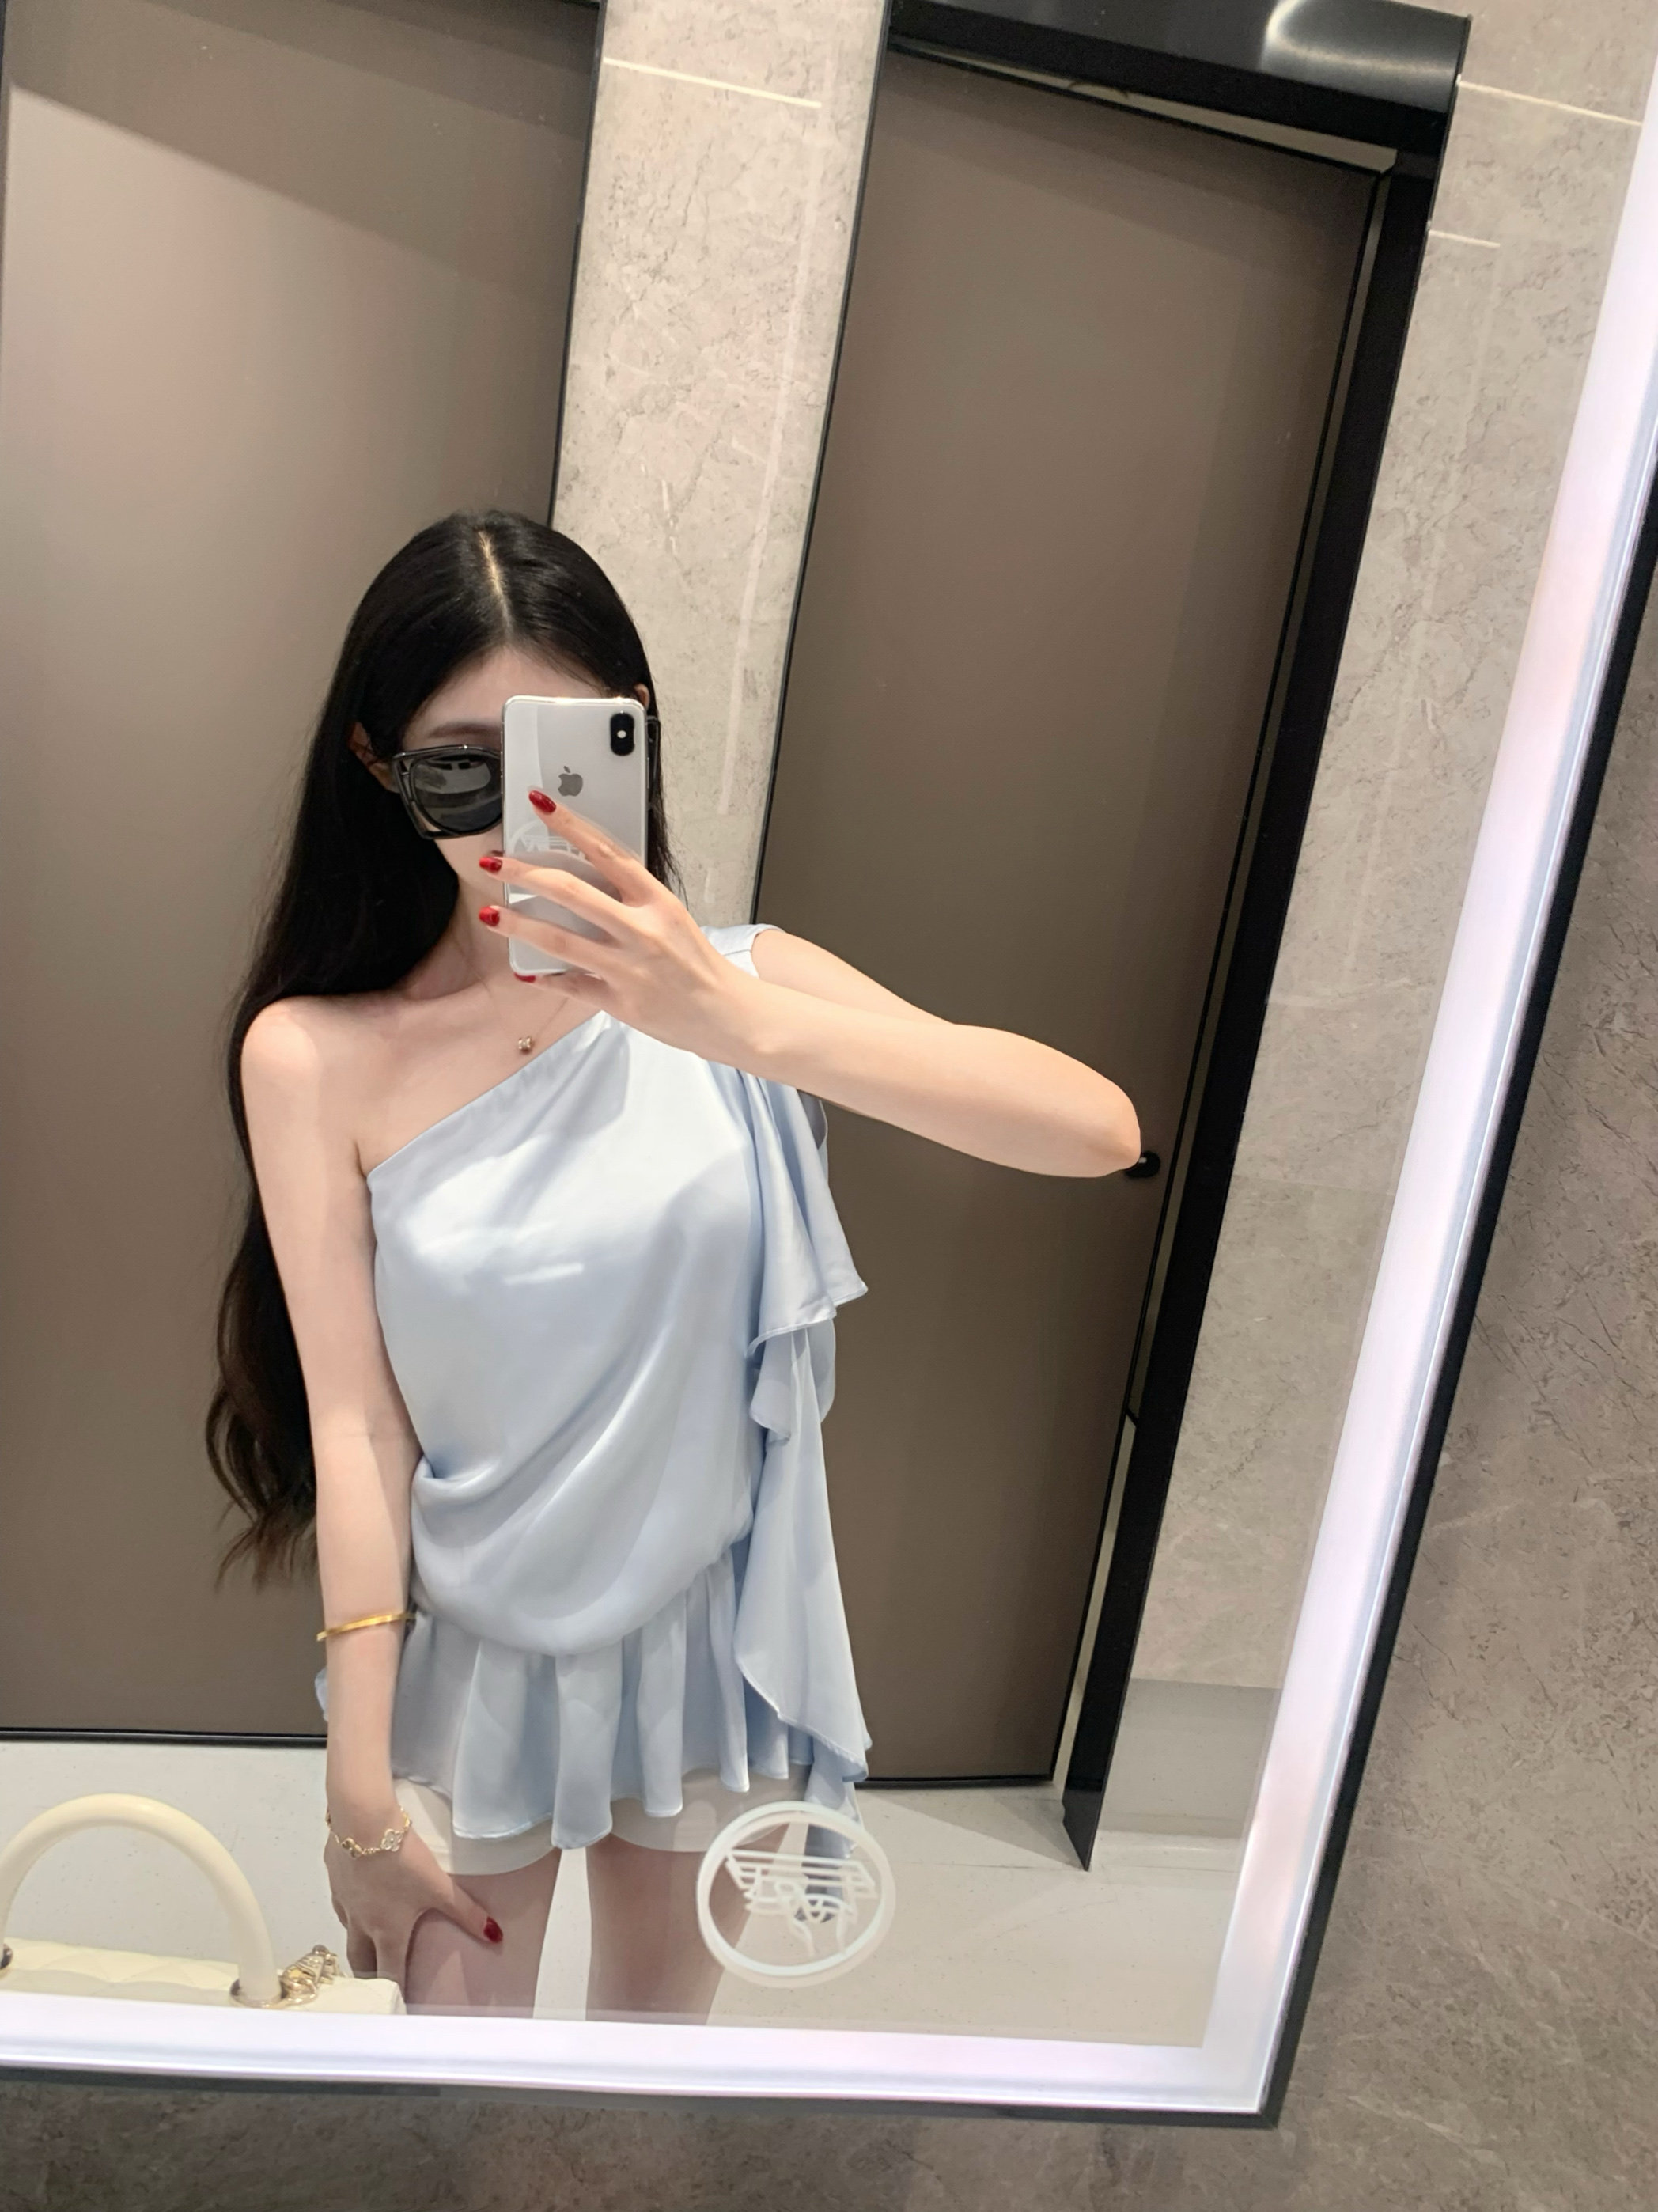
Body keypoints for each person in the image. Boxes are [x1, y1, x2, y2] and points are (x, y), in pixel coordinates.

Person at [207, 511, 1140, 2021]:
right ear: (379, 771)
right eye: (458, 771)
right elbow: (358, 1426)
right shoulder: (319, 1057)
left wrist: (734, 1021)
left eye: (562, 758)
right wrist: (357, 1792)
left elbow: (1098, 1132)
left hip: (701, 1645)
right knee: (454, 2085)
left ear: (632, 741)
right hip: (479, 1642)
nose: (514, 823)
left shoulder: (752, 990)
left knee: (646, 2080)